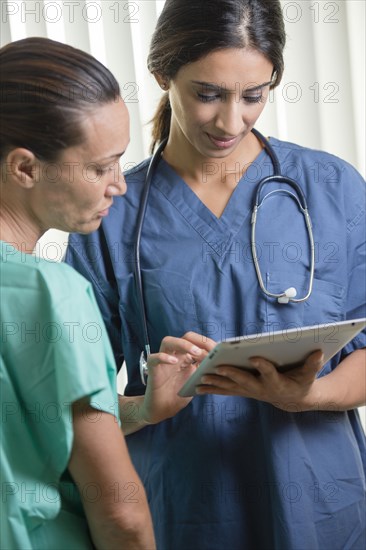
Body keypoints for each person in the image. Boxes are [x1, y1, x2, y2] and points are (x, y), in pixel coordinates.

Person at [65, 1, 366, 548]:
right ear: (162, 74)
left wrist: (308, 396)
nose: (231, 121)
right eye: (207, 94)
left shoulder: (333, 188)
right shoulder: (111, 216)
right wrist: (144, 406)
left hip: (321, 506)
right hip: (185, 509)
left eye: (254, 95)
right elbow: (76, 408)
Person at [0, 36, 202, 550]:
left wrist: (139, 409)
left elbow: (41, 426)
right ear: (25, 168)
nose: (119, 185)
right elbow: (121, 512)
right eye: (99, 168)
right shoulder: (54, 293)